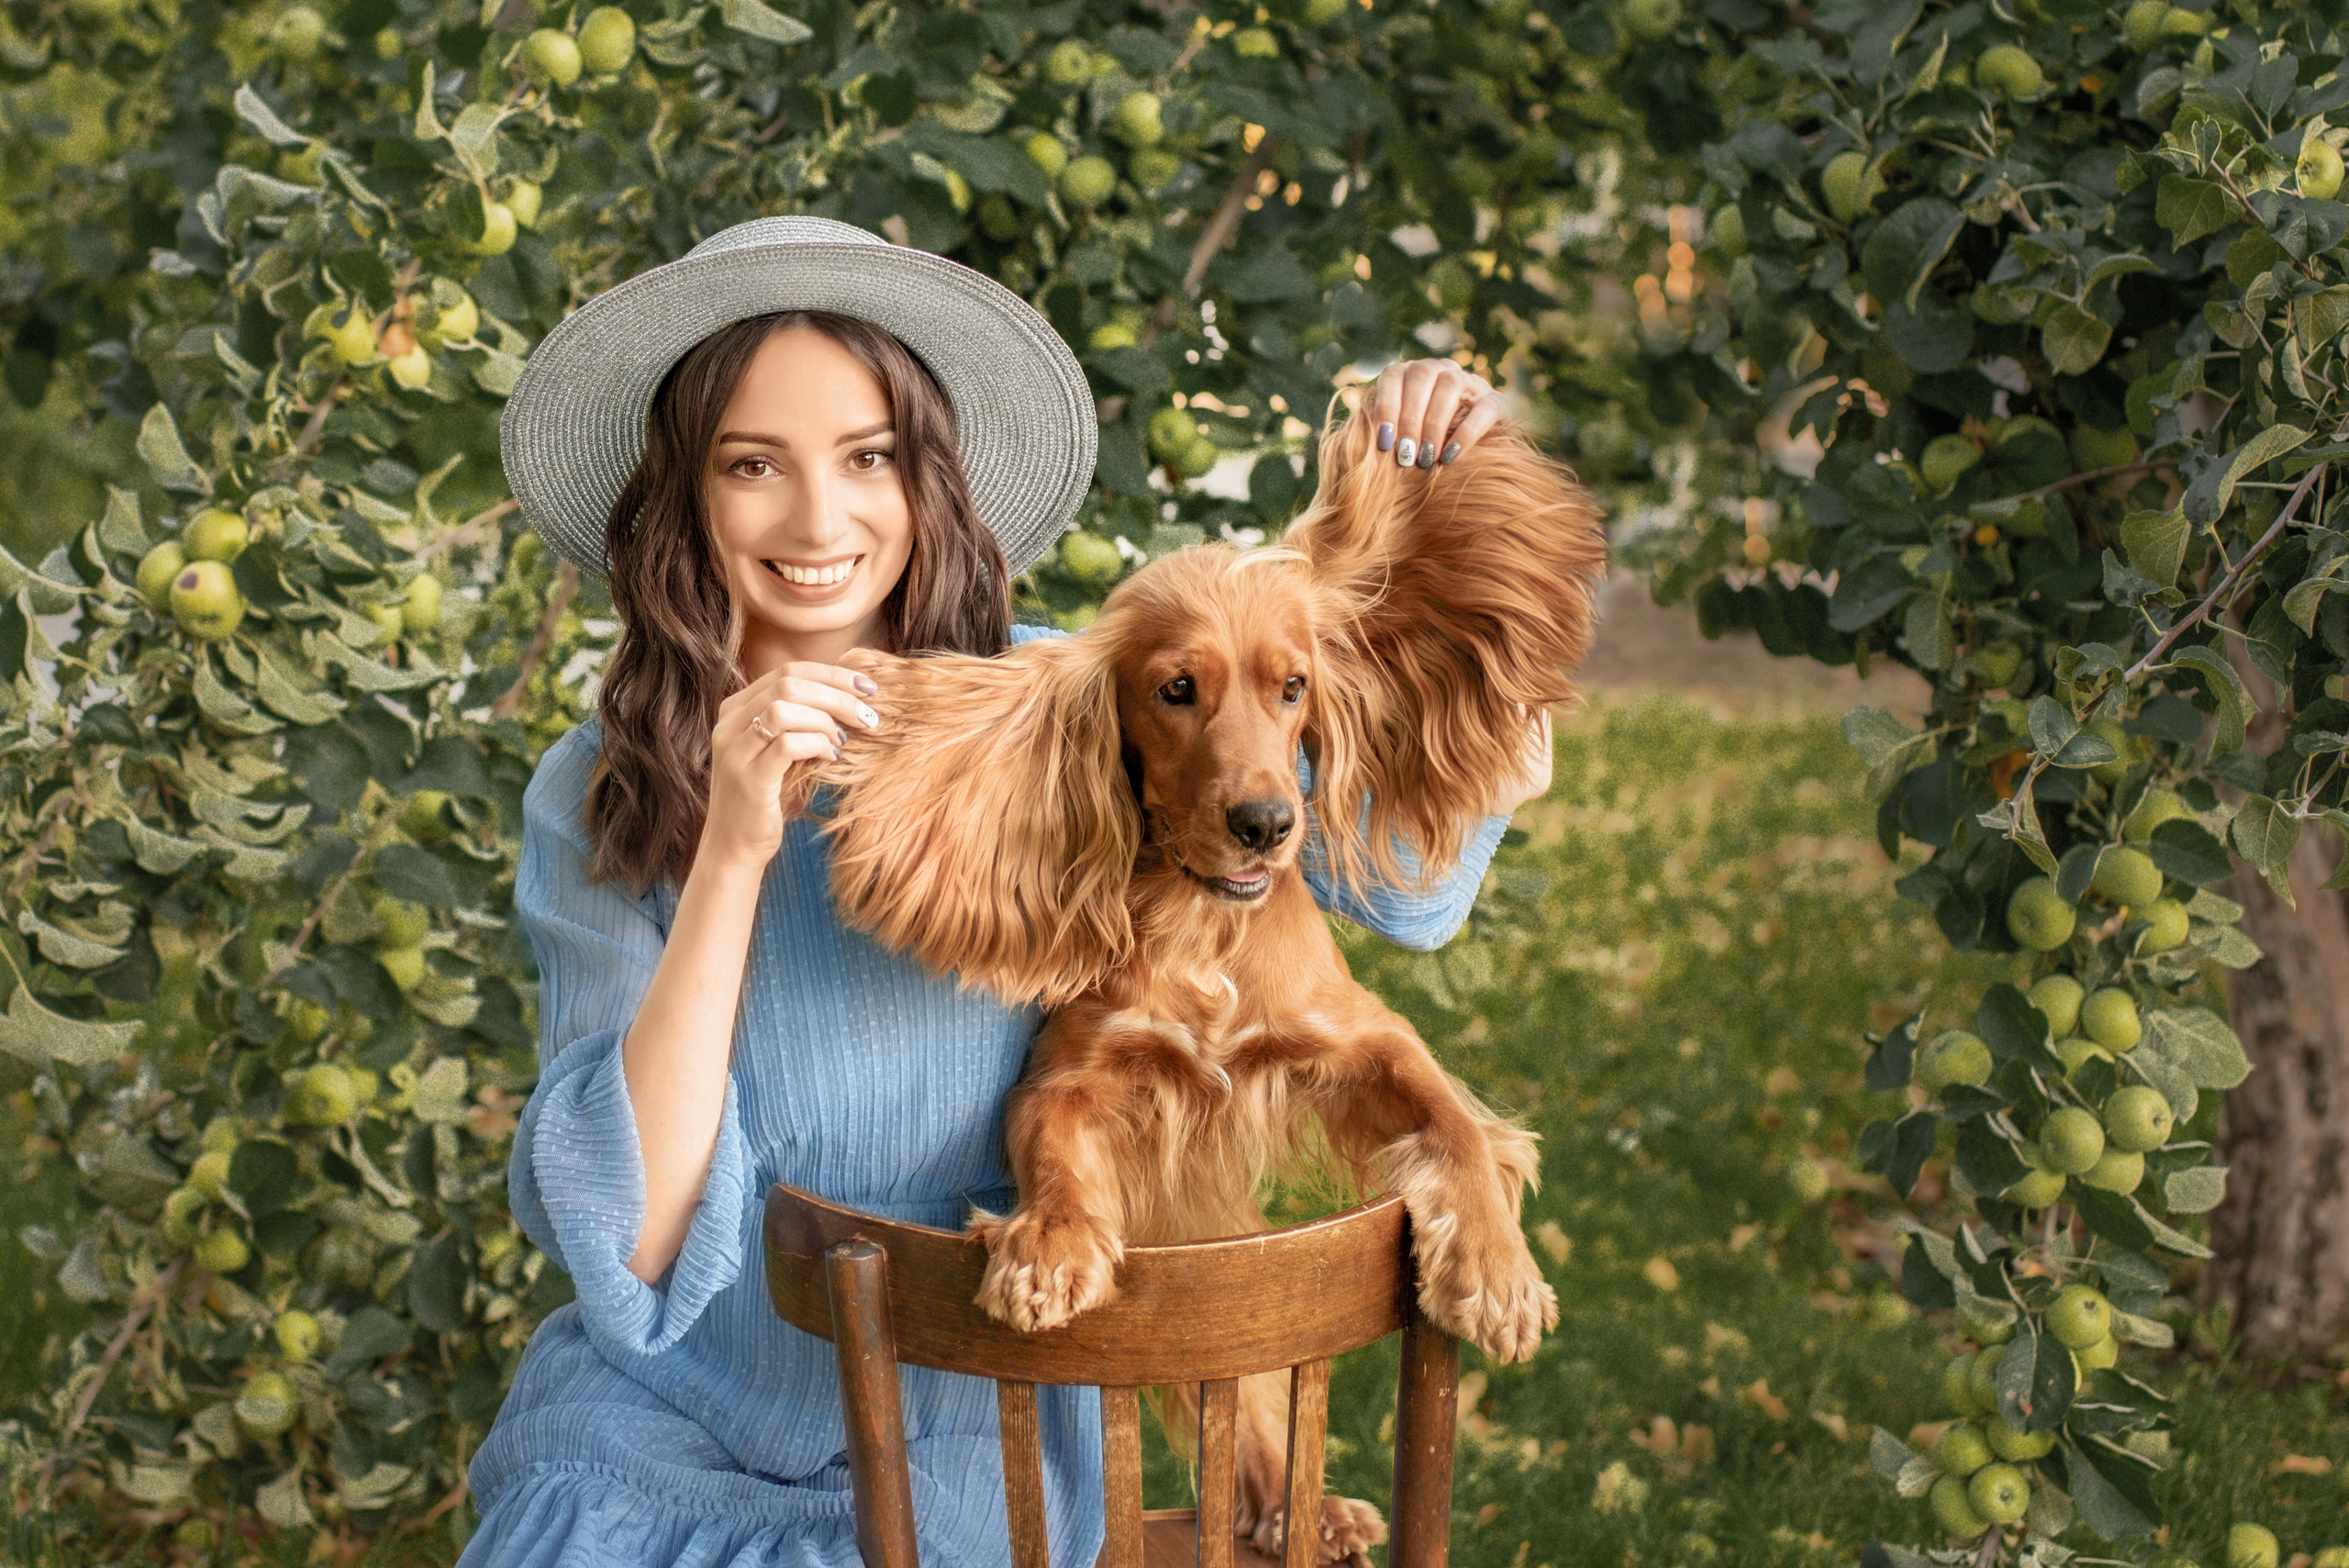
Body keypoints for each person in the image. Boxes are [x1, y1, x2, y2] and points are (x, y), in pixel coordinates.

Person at [459, 215, 1553, 1568]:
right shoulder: (601, 790)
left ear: (924, 479)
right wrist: (733, 848)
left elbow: (1414, 886)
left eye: (866, 457)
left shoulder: (1065, 704)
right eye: (754, 464)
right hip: (659, 1426)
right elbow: (636, 1239)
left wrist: (1450, 482)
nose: (818, 520)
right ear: (685, 497)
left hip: (971, 1430)